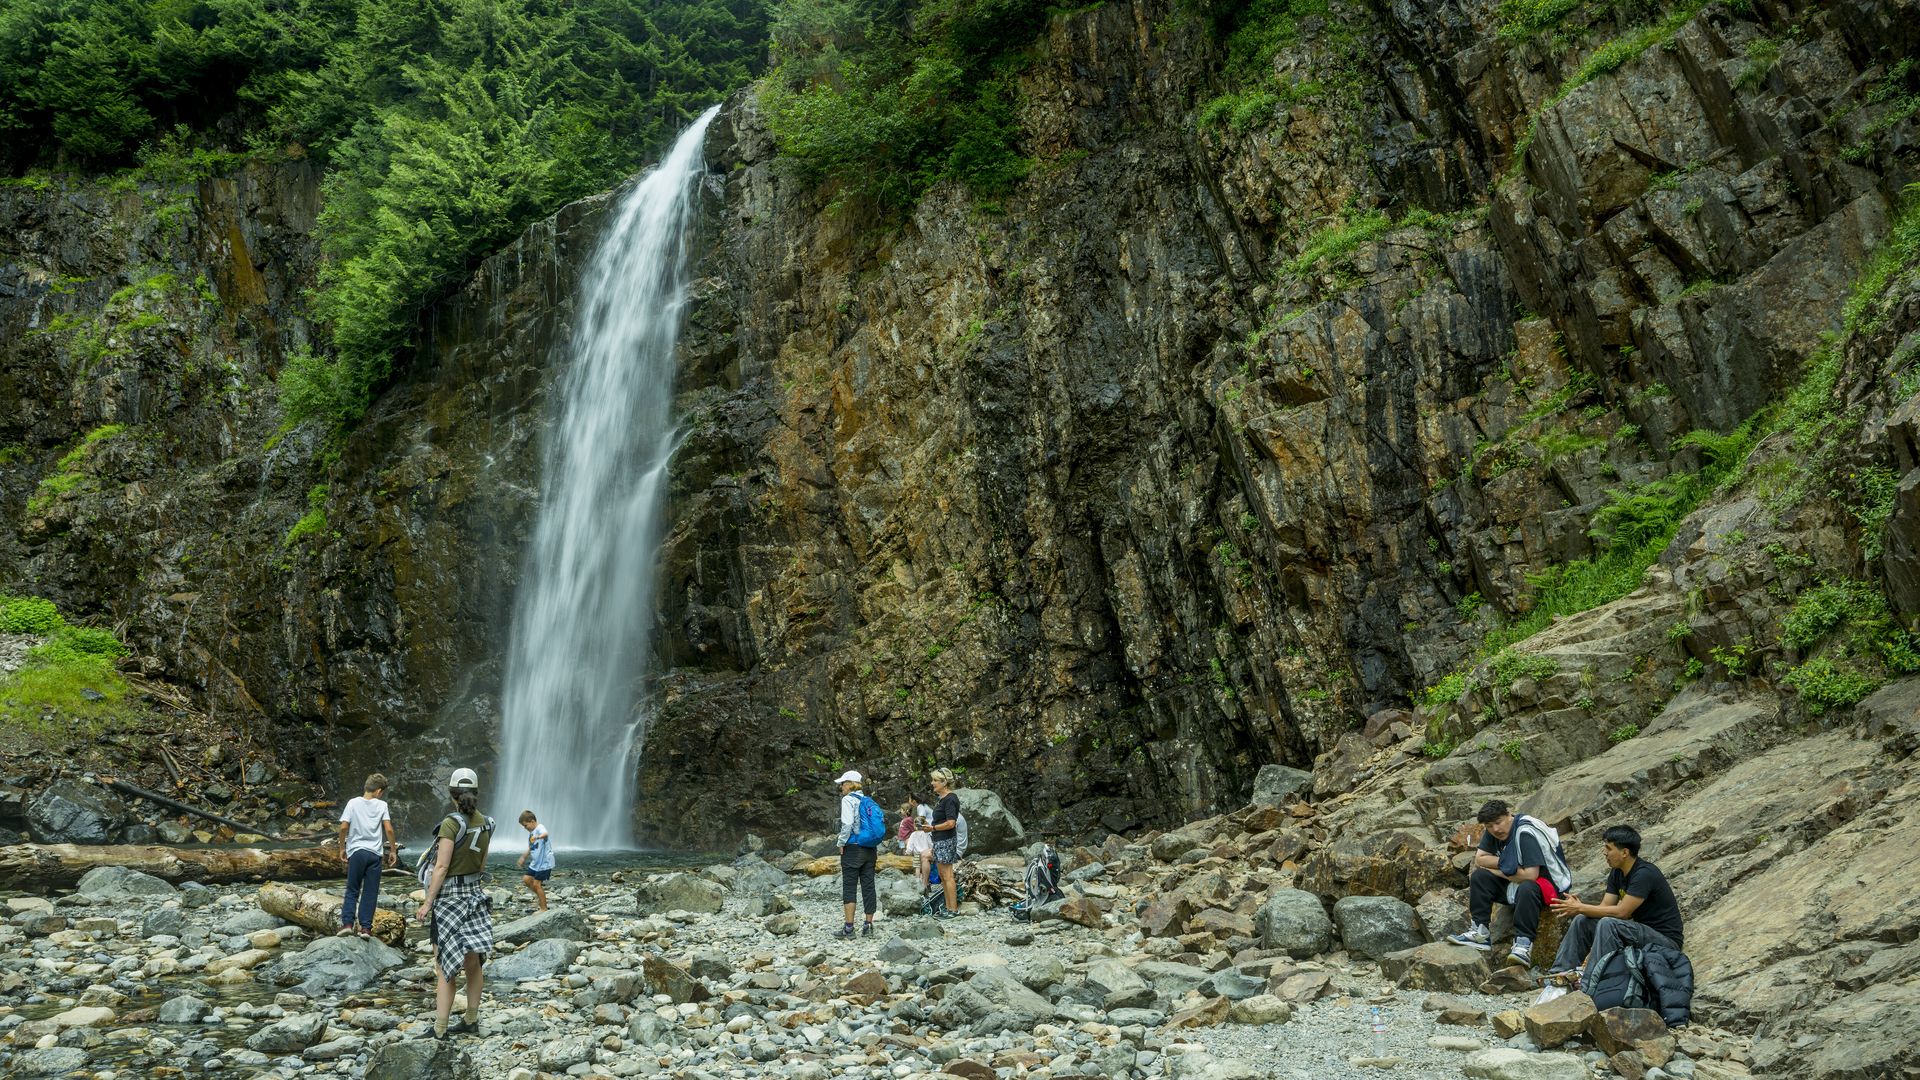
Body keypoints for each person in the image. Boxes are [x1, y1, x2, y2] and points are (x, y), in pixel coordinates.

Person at [415, 767, 496, 1039]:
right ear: (476, 792)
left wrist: (427, 903)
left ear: (451, 794)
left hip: (450, 899)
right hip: (475, 895)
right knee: (473, 962)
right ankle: (471, 1019)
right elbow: (482, 863)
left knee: (444, 966)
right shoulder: (487, 823)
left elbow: (441, 867)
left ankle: (440, 1029)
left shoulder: (451, 823)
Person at [1547, 824, 1686, 983]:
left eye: (1608, 848)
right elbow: (1604, 909)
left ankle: (1590, 980)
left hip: (1665, 941)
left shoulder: (1644, 874)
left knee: (1608, 923)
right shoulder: (1617, 872)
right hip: (1638, 933)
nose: (1604, 852)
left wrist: (1580, 907)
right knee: (1582, 921)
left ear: (1625, 852)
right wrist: (1580, 909)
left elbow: (1622, 913)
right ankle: (1559, 974)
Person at [1447, 798, 1571, 968]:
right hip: (1517, 884)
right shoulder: (1494, 832)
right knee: (1480, 877)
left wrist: (1501, 868)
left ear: (1508, 815)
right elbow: (1480, 859)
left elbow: (1531, 875)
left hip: (1549, 887)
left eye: (1498, 823)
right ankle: (1480, 933)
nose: (1495, 829)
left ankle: (1523, 944)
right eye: (1489, 826)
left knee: (1527, 887)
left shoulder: (1525, 832)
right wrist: (1508, 865)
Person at [335, 772, 397, 938]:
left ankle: (347, 923)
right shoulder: (381, 805)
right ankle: (365, 929)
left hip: (356, 852)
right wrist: (392, 849)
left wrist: (342, 847)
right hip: (374, 854)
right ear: (378, 791)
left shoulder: (353, 803)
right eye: (382, 792)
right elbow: (389, 829)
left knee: (352, 889)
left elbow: (343, 828)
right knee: (370, 892)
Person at [835, 770, 880, 938]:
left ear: (849, 784)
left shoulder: (848, 799)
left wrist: (841, 843)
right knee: (868, 886)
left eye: (842, 783)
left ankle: (849, 928)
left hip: (853, 848)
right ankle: (868, 926)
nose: (841, 787)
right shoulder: (868, 800)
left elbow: (847, 825)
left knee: (850, 886)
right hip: (870, 848)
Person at [927, 768, 964, 919]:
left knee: (948, 875)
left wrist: (933, 827)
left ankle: (953, 910)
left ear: (944, 782)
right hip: (939, 840)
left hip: (946, 840)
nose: (932, 783)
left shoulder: (950, 799)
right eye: (933, 780)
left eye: (935, 780)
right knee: (942, 875)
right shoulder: (942, 799)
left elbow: (950, 823)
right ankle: (948, 908)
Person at [515, 810, 554, 912]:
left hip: (544, 862)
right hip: (536, 863)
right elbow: (531, 847)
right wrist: (523, 857)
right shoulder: (532, 833)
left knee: (537, 884)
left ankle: (543, 908)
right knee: (526, 879)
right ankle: (541, 897)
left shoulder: (540, 828)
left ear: (532, 821)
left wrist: (538, 836)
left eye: (525, 825)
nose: (525, 828)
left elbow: (545, 834)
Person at [897, 792, 934, 894]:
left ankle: (919, 881)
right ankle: (924, 880)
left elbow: (910, 845)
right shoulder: (924, 833)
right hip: (925, 849)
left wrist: (908, 851)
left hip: (918, 852)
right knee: (924, 864)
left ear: (913, 801)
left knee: (917, 866)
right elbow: (930, 843)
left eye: (909, 799)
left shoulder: (920, 808)